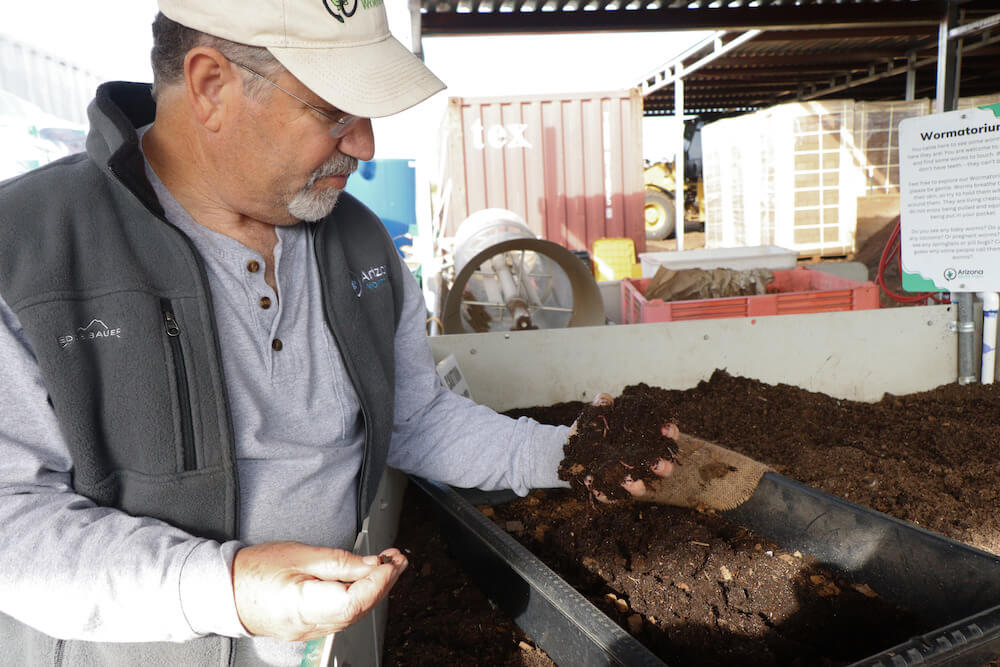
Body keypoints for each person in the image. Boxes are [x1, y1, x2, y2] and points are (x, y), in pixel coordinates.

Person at [0, 2, 670, 665]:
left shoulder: (362, 246)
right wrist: (228, 586)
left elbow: (418, 419)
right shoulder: (26, 252)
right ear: (210, 86)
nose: (366, 146)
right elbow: (13, 522)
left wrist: (569, 455)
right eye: (333, 112)